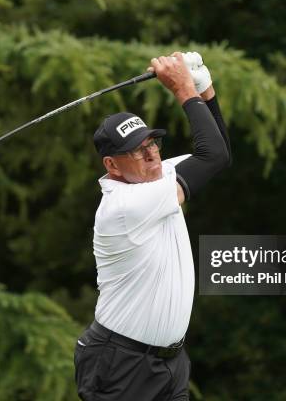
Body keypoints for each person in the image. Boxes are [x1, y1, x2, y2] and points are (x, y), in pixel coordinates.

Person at [74, 51, 231, 401]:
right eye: (137, 151)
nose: (152, 155)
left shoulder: (157, 179)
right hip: (120, 364)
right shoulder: (124, 206)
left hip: (169, 363)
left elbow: (220, 154)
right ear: (112, 165)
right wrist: (182, 89)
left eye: (152, 143)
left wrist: (205, 90)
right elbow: (212, 156)